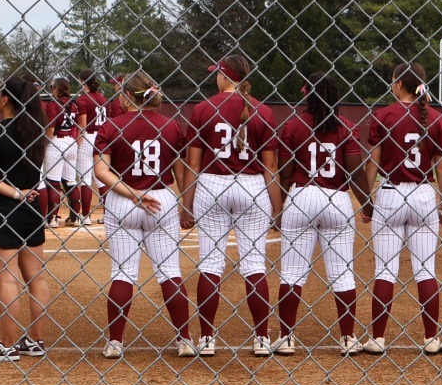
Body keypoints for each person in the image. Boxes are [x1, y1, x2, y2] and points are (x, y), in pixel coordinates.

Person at [93, 72, 195, 357]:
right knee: (170, 272)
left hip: (123, 200)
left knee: (123, 273)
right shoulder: (172, 126)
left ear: (127, 97)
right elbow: (180, 170)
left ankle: (115, 342)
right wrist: (185, 205)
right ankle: (184, 340)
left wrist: (132, 193)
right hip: (161, 198)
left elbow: (101, 171)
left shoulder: (111, 126)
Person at [185, 55, 279, 357]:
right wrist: (277, 207)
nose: (216, 78)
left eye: (218, 74)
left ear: (226, 77)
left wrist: (186, 204)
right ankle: (262, 338)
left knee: (211, 264)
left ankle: (207, 338)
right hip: (252, 187)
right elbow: (271, 166)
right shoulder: (262, 111)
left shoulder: (202, 108)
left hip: (212, 185)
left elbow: (194, 163)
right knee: (254, 264)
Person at [360, 61, 442, 354]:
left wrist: (366, 203)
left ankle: (377, 338)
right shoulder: (436, 119)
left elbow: (372, 164)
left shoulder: (383, 115)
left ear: (399, 84)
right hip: (424, 194)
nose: (391, 83)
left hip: (389, 193)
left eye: (392, 80)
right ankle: (431, 337)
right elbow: (441, 169)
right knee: (426, 270)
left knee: (385, 271)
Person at [271, 76, 367, 356]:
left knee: (291, 272)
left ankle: (286, 338)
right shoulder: (346, 127)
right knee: (342, 273)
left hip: (301, 196)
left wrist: (279, 209)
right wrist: (367, 204)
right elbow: (355, 172)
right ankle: (348, 338)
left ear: (307, 96)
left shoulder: (293, 125)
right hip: (336, 199)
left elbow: (285, 173)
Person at [0, 73, 55, 361]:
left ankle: (7, 346)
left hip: (1, 209)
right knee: (36, 278)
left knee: (7, 280)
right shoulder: (35, 133)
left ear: (6, 99)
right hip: (31, 210)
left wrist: (15, 193)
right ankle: (35, 340)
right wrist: (23, 195)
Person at [41, 76, 84, 227]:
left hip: (57, 141)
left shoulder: (53, 105)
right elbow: (77, 126)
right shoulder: (73, 104)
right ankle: (75, 217)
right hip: (71, 142)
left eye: (52, 87)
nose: (51, 90)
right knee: (71, 180)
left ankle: (52, 218)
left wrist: (45, 143)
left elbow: (51, 129)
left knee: (53, 181)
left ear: (58, 89)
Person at [67, 72, 107, 226]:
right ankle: (106, 213)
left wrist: (78, 141)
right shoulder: (102, 98)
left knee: (85, 177)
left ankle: (85, 216)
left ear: (83, 81)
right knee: (101, 177)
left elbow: (82, 125)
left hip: (88, 136)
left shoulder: (83, 99)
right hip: (102, 137)